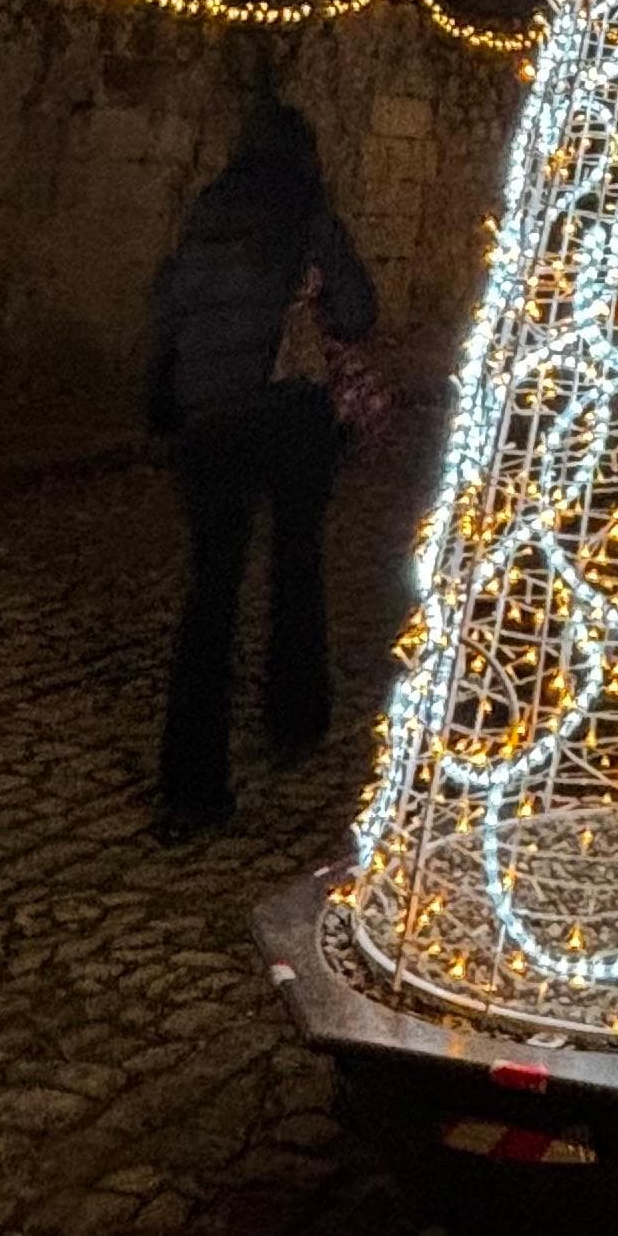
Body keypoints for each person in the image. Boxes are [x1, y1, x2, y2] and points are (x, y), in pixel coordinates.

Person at [148, 98, 378, 841]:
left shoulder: (207, 215)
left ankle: (190, 783)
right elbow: (356, 306)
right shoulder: (307, 216)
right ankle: (295, 711)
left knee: (209, 594)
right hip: (287, 412)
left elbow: (171, 307)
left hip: (209, 419)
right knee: (295, 561)